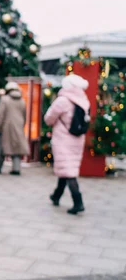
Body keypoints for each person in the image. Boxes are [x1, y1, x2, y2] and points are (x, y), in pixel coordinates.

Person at [44, 74, 90, 215]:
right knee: (67, 167)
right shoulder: (84, 100)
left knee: (68, 171)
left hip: (63, 140)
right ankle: (56, 195)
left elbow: (48, 118)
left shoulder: (62, 100)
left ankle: (78, 202)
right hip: (77, 140)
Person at [0, 82, 29, 175]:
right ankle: (16, 169)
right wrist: (22, 125)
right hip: (18, 126)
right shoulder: (22, 100)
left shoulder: (4, 99)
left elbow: (0, 115)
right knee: (16, 148)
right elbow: (25, 115)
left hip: (6, 127)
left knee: (2, 147)